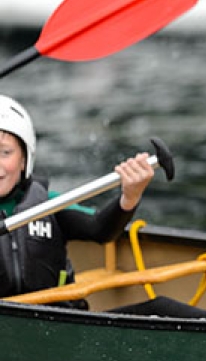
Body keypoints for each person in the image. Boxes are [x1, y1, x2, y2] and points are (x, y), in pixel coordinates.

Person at [0, 94, 155, 307]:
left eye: (5, 152)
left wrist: (130, 196)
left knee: (159, 307)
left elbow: (100, 228)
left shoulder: (48, 203)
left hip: (53, 324)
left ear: (24, 158)